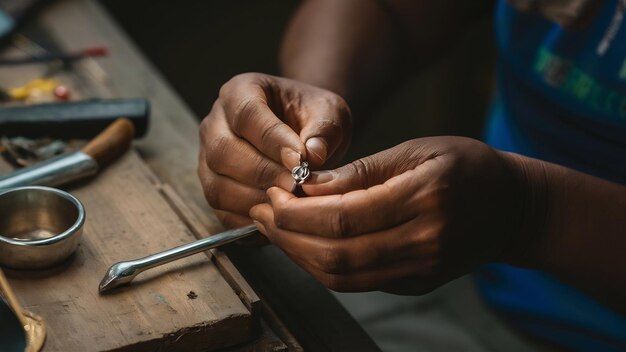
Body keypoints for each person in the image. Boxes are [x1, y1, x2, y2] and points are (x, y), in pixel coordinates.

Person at [198, 0, 626, 350]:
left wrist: (535, 213)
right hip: (474, 285)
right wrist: (308, 107)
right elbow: (391, 10)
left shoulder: (516, 215)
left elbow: (524, 213)